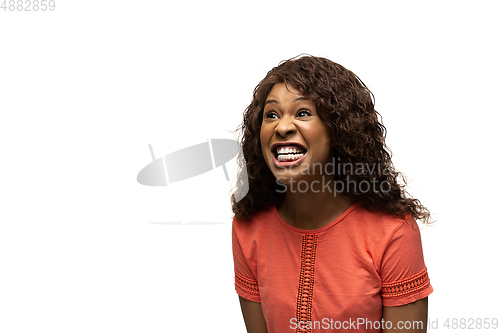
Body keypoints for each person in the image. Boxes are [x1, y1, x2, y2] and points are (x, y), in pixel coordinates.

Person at [231, 55, 433, 333]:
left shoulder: (394, 232)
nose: (282, 127)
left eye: (302, 113)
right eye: (271, 115)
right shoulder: (248, 228)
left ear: (339, 130)